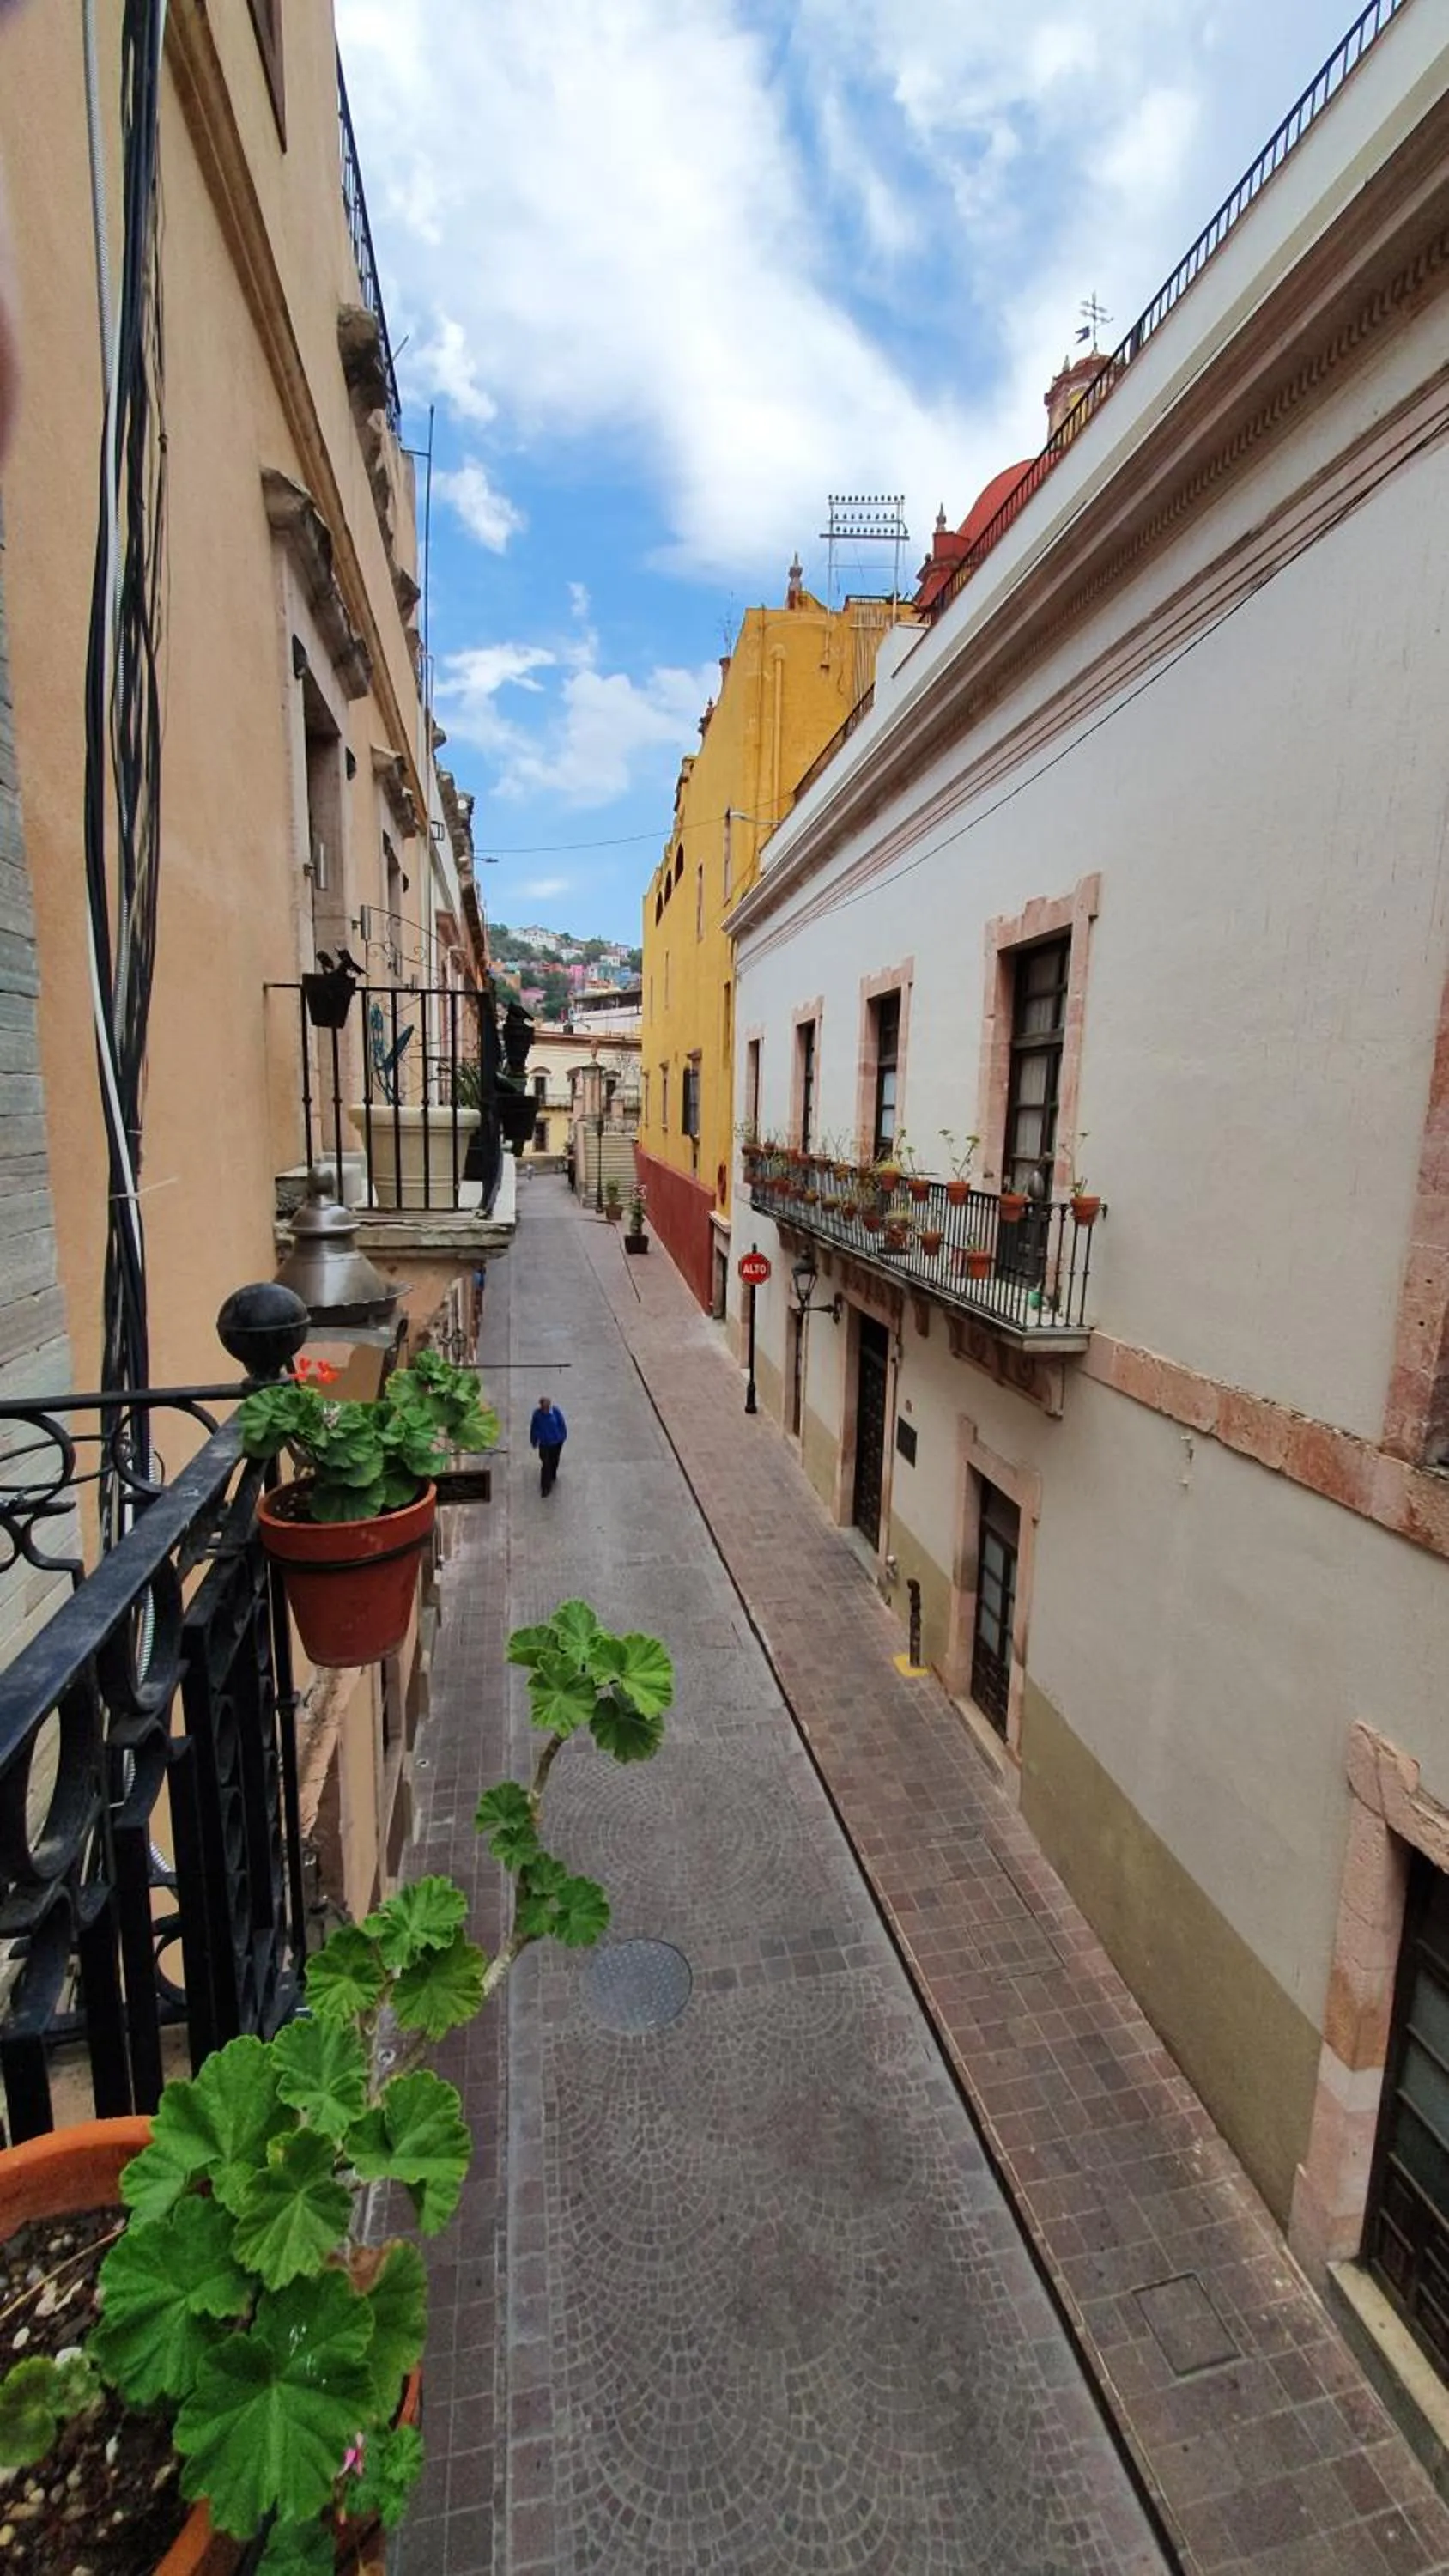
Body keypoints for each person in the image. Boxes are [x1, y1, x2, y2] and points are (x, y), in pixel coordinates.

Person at [529, 1393, 567, 1497]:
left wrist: (562, 1437)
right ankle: (545, 1487)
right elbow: (534, 1428)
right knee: (545, 1465)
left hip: (556, 1443)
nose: (545, 1410)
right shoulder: (537, 1414)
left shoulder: (556, 1412)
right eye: (543, 1408)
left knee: (554, 1461)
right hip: (544, 1444)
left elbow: (561, 1424)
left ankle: (553, 1475)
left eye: (546, 1408)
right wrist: (534, 1440)